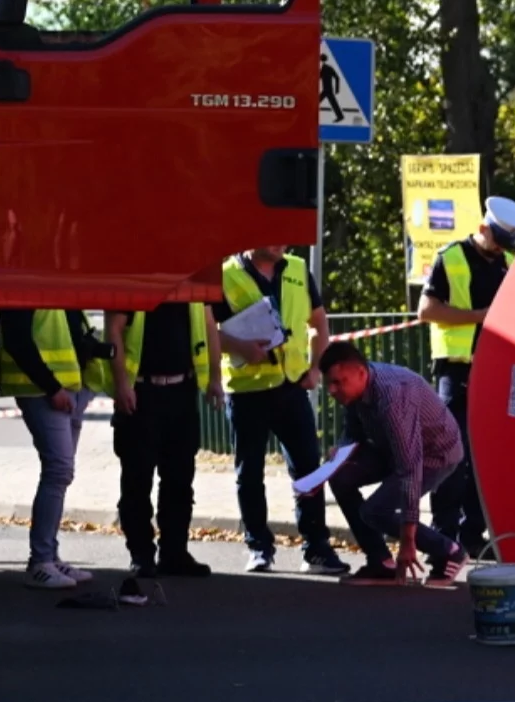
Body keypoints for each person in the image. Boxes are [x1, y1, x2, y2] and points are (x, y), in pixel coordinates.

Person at [216, 246, 353, 575]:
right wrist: (240, 347)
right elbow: (209, 330)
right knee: (249, 473)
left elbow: (319, 321)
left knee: (308, 469)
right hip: (247, 390)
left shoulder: (297, 267)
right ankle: (259, 548)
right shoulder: (226, 274)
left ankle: (316, 549)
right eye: (273, 235)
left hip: (291, 386)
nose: (282, 243)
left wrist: (317, 370)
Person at [417, 195, 515, 555]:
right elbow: (427, 310)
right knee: (452, 453)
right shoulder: (450, 258)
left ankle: (473, 533)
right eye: (497, 240)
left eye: (506, 244)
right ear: (483, 228)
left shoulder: (511, 262)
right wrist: (482, 316)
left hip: (498, 370)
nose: (500, 250)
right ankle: (444, 534)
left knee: (487, 455)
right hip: (458, 369)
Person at [315, 341, 469, 584]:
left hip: (435, 454)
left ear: (361, 373)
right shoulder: (355, 391)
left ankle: (450, 551)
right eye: (329, 383)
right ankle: (380, 562)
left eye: (338, 382)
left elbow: (410, 469)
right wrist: (337, 458)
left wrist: (407, 542)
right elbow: (353, 433)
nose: (332, 390)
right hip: (389, 448)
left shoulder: (393, 399)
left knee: (374, 511)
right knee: (340, 478)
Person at [108, 301, 224, 580]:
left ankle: (174, 553)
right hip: (141, 393)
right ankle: (141, 555)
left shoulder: (192, 282)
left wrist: (216, 378)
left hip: (182, 393)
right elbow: (113, 330)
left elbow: (210, 327)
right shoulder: (134, 278)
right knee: (137, 480)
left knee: (180, 480)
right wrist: (122, 384)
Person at [0, 308, 110, 589]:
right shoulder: (24, 280)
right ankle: (41, 561)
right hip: (44, 392)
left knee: (61, 473)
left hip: (66, 389)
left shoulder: (50, 280)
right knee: (59, 470)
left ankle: (50, 557)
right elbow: (17, 340)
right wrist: (52, 388)